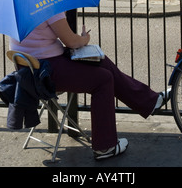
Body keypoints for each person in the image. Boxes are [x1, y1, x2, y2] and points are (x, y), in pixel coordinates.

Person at [9, 13, 170, 160]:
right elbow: (71, 41)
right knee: (103, 80)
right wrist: (85, 38)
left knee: (101, 60)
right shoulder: (48, 5)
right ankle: (105, 146)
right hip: (46, 72)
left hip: (31, 70)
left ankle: (149, 102)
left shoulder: (19, 7)